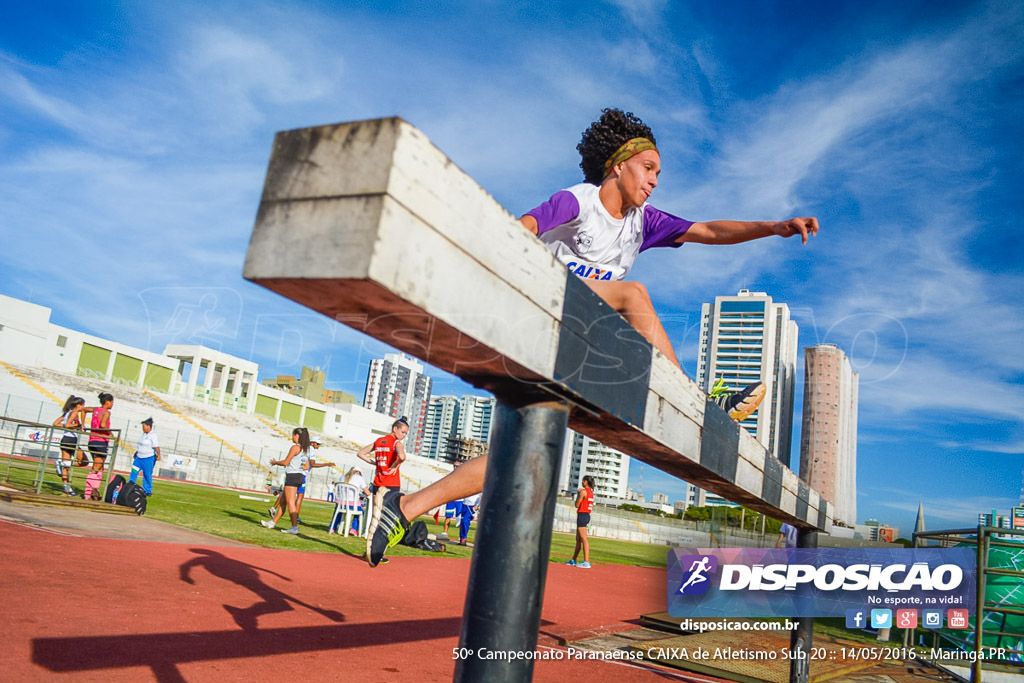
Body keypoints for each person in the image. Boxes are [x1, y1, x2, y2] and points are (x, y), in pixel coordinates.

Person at [364, 108, 821, 567]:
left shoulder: (642, 222)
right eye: (649, 169)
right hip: (533, 310)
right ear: (618, 165)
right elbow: (519, 230)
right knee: (632, 295)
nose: (655, 181)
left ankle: (403, 508)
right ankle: (698, 404)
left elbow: (708, 230)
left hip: (571, 342)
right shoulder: (578, 202)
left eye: (659, 173)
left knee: (523, 448)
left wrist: (774, 227)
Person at [359, 417, 409, 562]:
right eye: (403, 432)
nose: (404, 435)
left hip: (378, 483)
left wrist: (376, 463)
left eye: (406, 433)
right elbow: (402, 456)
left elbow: (361, 453)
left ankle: (369, 549)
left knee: (376, 517)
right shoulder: (396, 443)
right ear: (395, 429)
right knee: (386, 521)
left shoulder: (379, 441)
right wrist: (395, 464)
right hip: (391, 485)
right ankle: (377, 552)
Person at [271, 434, 332, 525]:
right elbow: (311, 464)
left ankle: (273, 514)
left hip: (295, 474)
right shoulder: (309, 450)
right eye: (317, 444)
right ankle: (295, 521)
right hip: (299, 475)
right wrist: (327, 464)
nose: (318, 446)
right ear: (312, 443)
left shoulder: (303, 448)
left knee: (286, 496)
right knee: (296, 498)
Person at [260, 428, 310, 534]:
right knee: (282, 501)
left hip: (292, 476)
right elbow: (306, 466)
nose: (292, 437)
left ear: (297, 435)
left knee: (291, 503)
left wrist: (275, 462)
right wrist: (297, 466)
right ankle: (272, 523)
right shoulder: (306, 449)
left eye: (293, 435)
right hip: (299, 476)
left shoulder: (295, 447)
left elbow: (285, 462)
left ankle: (294, 528)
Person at [83, 393, 114, 501]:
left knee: (100, 467)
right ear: (108, 402)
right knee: (96, 467)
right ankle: (87, 493)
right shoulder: (106, 412)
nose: (112, 404)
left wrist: (83, 424)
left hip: (92, 440)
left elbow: (83, 410)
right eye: (112, 402)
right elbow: (103, 425)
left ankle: (95, 491)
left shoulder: (96, 409)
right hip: (101, 441)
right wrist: (110, 433)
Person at [52, 395, 86, 495]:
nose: (83, 407)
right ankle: (61, 464)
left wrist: (68, 426)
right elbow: (68, 425)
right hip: (71, 440)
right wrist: (78, 426)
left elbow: (55, 423)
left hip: (65, 439)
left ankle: (67, 489)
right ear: (79, 405)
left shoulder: (67, 413)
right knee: (84, 461)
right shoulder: (75, 413)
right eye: (83, 405)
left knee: (66, 467)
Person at [330, 467, 370, 536]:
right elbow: (367, 492)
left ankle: (332, 527)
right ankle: (354, 529)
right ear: (358, 472)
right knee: (360, 511)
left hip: (340, 503)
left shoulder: (342, 477)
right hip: (351, 504)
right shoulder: (359, 478)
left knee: (338, 512)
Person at [566, 476, 596, 568]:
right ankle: (573, 559)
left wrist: (578, 494)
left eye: (583, 481)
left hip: (582, 515)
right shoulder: (590, 492)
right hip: (586, 515)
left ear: (586, 482)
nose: (582, 482)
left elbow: (577, 504)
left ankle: (586, 561)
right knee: (578, 540)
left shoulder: (583, 492)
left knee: (583, 539)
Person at [129, 417, 161, 496]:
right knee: (134, 472)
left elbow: (156, 446)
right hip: (138, 458)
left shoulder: (153, 435)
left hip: (148, 458)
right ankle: (130, 486)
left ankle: (147, 491)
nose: (143, 428)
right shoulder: (143, 434)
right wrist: (136, 452)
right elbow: (141, 445)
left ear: (148, 426)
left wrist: (159, 455)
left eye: (144, 426)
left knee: (147, 474)